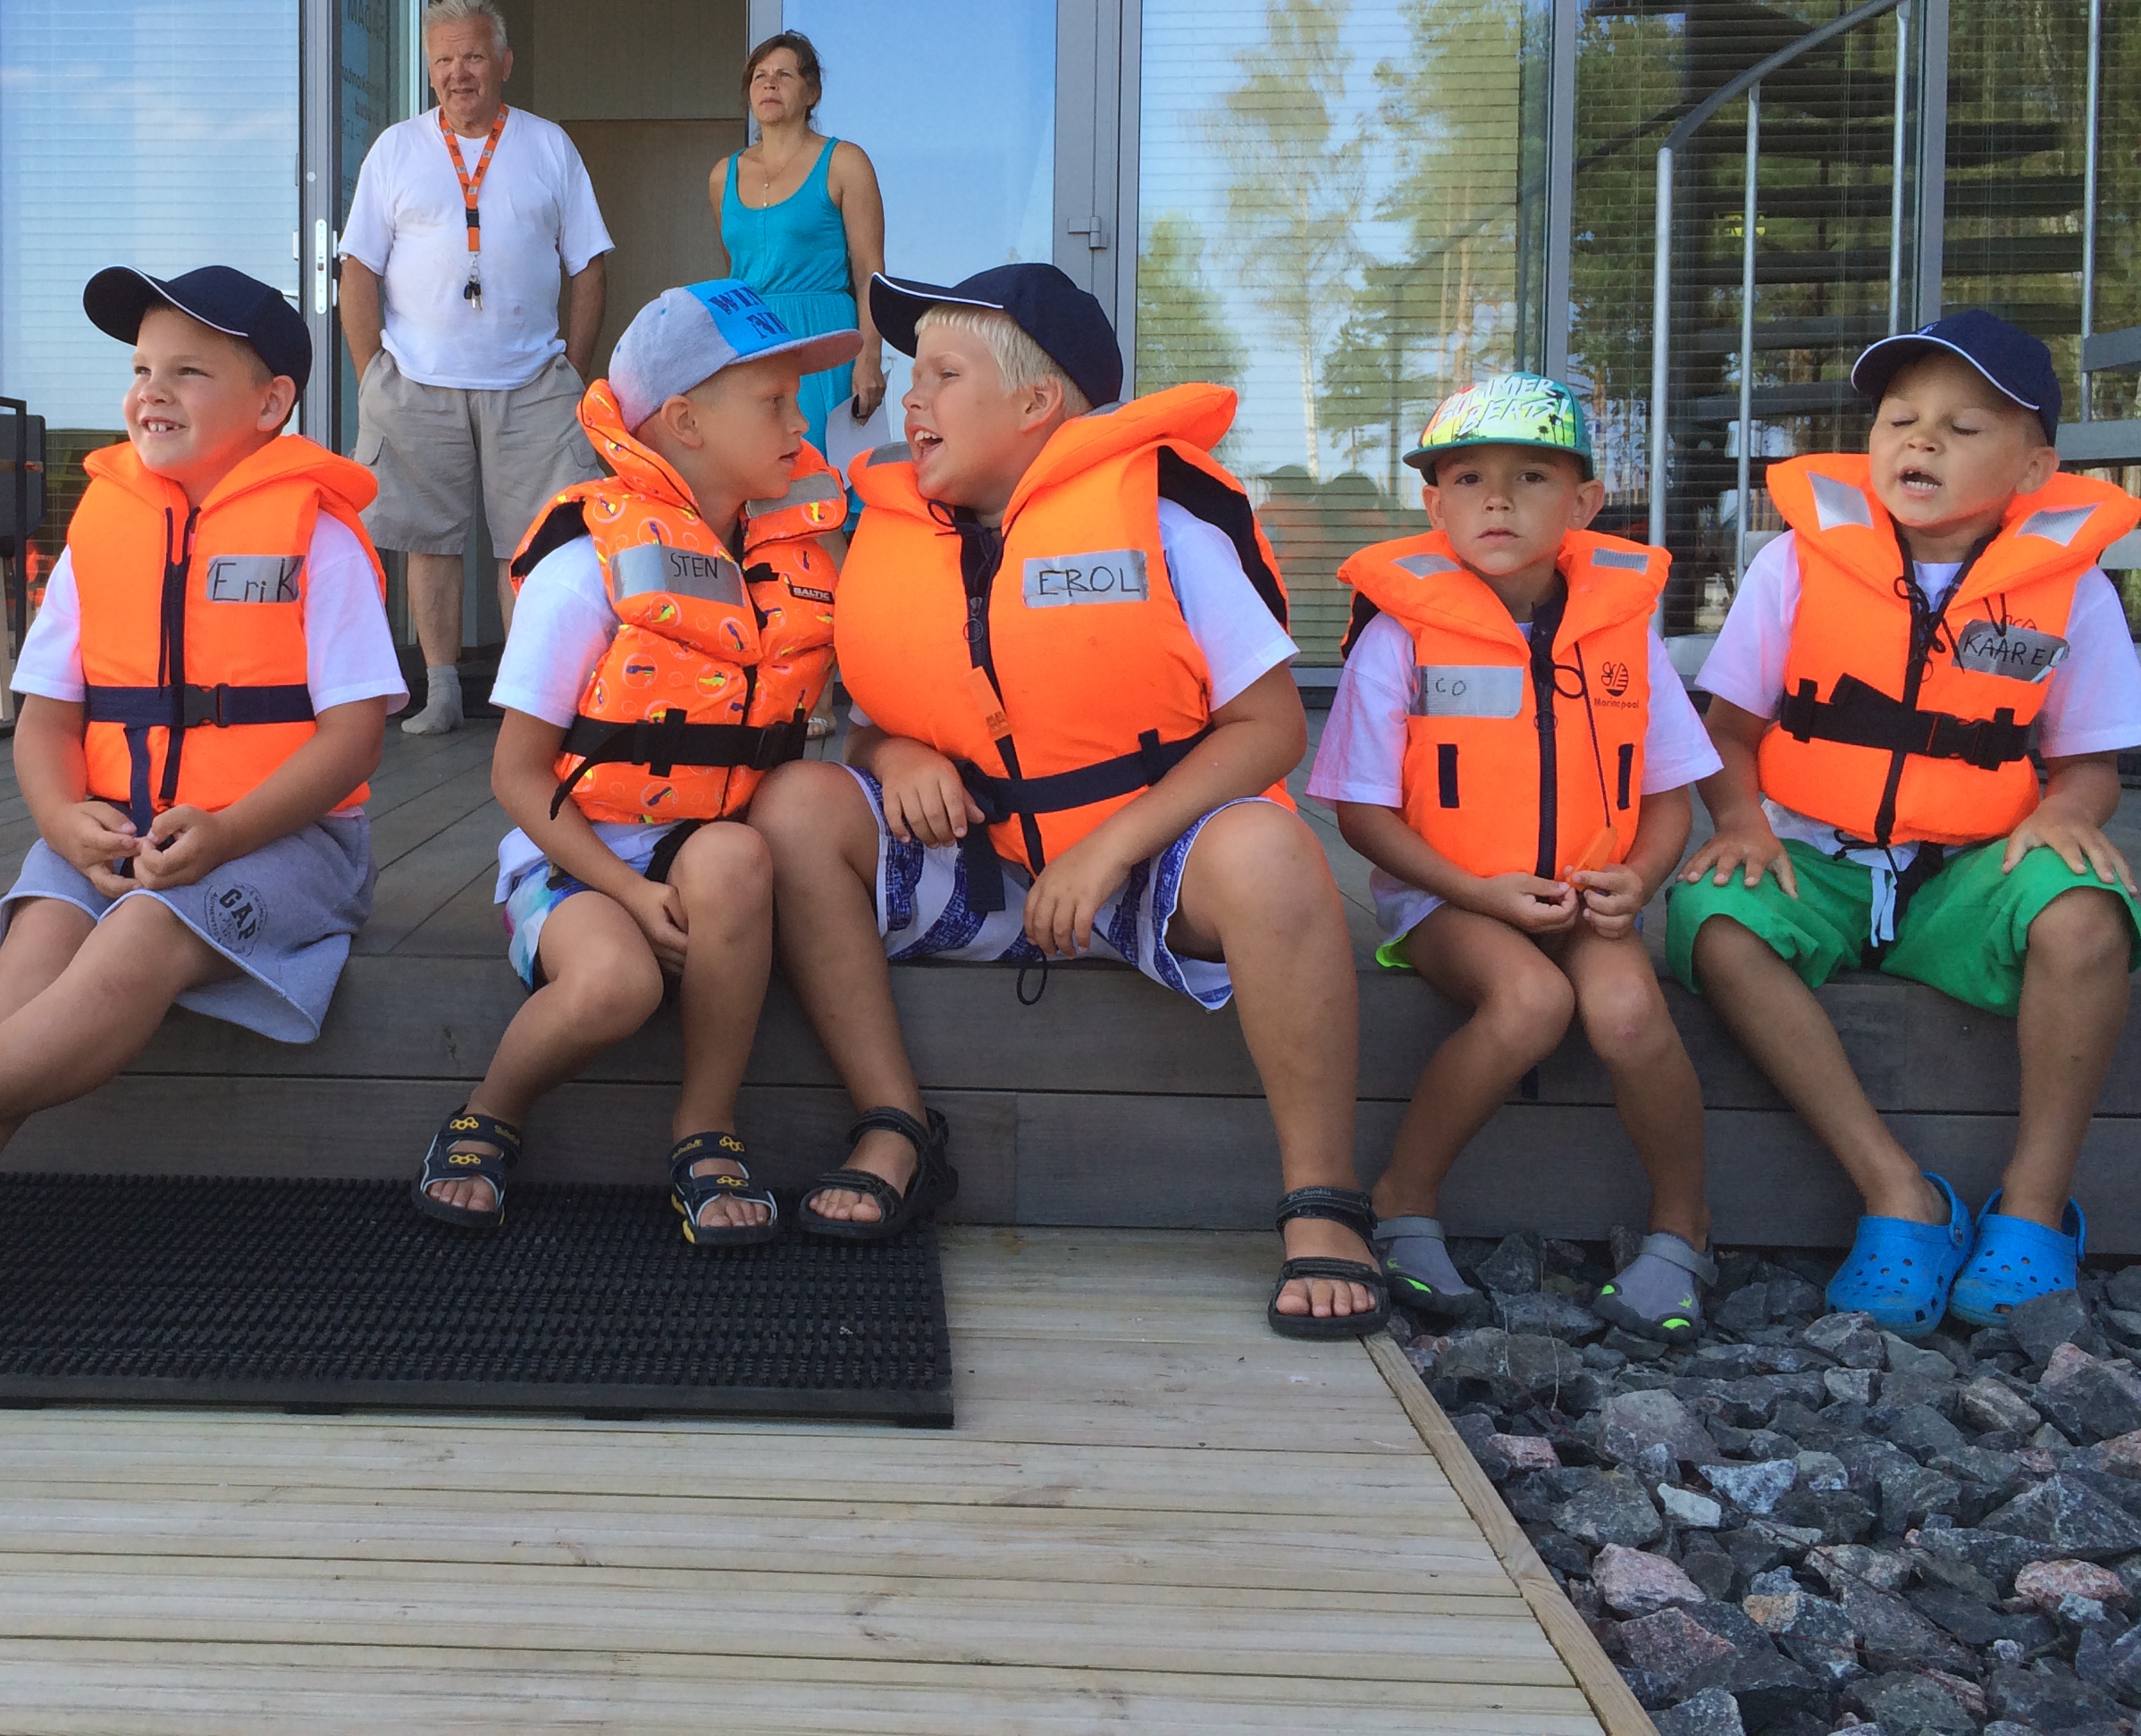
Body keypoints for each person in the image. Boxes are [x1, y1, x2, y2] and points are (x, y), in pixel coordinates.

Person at [750, 263, 1385, 1334]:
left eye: (944, 375)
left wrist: (1107, 851)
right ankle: (895, 1123)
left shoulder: (1164, 523)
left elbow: (1272, 729)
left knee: (1277, 856)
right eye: (913, 374)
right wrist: (895, 753)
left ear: (1038, 403)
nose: (911, 399)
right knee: (796, 806)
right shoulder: (901, 534)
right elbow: (866, 724)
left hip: (1150, 874)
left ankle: (1322, 1201)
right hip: (987, 869)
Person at [0, 266, 405, 1309]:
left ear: (272, 403)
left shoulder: (320, 537)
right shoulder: (103, 531)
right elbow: (47, 718)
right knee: (40, 933)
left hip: (282, 842)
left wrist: (227, 832)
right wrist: (58, 819)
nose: (150, 391)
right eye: (140, 369)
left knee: (142, 932)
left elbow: (352, 739)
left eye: (188, 372)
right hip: (111, 829)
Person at [1675, 311, 2141, 1338]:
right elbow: (1730, 732)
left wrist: (2068, 814)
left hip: (1972, 869)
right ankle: (1899, 1192)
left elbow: (2089, 767)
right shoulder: (1795, 565)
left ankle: (2032, 1208)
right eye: (1899, 419)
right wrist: (1741, 823)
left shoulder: (2070, 591)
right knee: (1713, 922)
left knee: (2089, 915)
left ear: (2036, 468)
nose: (1921, 441)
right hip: (1817, 857)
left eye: (1962, 427)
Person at [416, 281, 857, 1245]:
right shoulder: (587, 566)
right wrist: (624, 888)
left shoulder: (792, 558)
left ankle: (706, 1127)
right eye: (774, 402)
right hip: (574, 864)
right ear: (686, 423)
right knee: (618, 986)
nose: (801, 423)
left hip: (707, 865)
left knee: (737, 856)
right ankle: (490, 1112)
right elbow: (517, 775)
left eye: (798, 400)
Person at [1315, 374, 1717, 1338]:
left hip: (1585, 895)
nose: (1496, 500)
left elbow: (1670, 795)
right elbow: (1362, 816)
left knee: (1628, 1013)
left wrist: (1639, 879)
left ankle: (1685, 1229)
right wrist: (1481, 893)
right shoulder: (1400, 635)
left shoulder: (1622, 633)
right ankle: (1403, 1201)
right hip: (1447, 898)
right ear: (1434, 505)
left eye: (1531, 476)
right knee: (1532, 1001)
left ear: (1584, 502)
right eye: (1468, 479)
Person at [339, 0, 614, 737]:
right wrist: (371, 376)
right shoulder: (396, 148)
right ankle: (441, 692)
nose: (458, 73)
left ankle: (527, 697)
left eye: (473, 57)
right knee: (429, 542)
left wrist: (573, 370)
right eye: (444, 61)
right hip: (416, 381)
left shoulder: (548, 145)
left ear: (504, 62)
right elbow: (358, 270)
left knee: (535, 546)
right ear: (430, 71)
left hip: (532, 384)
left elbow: (590, 265)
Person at [709, 30, 888, 449]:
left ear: (812, 92)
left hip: (824, 336)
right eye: (760, 76)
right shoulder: (722, 175)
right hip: (754, 343)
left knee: (825, 468)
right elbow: (736, 272)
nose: (769, 84)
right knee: (759, 467)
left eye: (784, 75)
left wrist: (870, 357)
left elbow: (870, 272)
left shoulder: (845, 162)